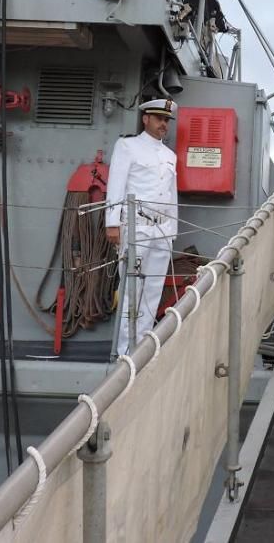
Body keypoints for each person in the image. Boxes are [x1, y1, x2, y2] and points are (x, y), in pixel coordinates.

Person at [105, 98, 178, 355]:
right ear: (145, 118)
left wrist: (173, 230)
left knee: (152, 292)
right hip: (137, 228)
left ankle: (142, 350)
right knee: (130, 292)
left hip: (161, 230)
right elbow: (116, 185)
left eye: (167, 120)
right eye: (159, 119)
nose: (164, 125)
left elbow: (172, 194)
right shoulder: (127, 147)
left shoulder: (170, 156)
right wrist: (112, 224)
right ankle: (126, 352)